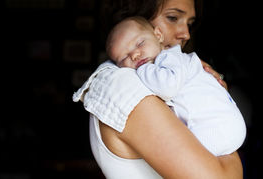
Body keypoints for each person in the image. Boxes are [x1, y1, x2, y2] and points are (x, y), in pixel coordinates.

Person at [73, 0, 243, 178]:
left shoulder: (156, 75)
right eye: (173, 17)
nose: (186, 34)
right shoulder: (123, 84)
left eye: (189, 23)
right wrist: (218, 113)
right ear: (136, 17)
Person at [105, 16, 246, 156]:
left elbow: (167, 88)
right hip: (223, 128)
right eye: (124, 58)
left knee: (166, 151)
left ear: (158, 35)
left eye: (140, 43)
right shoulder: (158, 67)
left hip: (217, 128)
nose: (135, 55)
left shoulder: (170, 57)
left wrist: (143, 69)